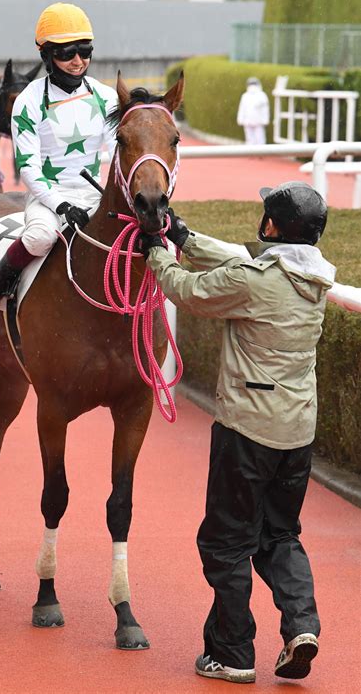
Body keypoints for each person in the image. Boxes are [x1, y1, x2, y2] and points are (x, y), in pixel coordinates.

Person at [137, 181, 333, 683]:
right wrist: (181, 233)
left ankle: (233, 653)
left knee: (225, 543)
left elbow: (188, 291)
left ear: (275, 227)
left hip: (247, 431)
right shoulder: (313, 273)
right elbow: (237, 257)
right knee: (280, 535)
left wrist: (156, 251)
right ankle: (301, 626)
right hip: (297, 434)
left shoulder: (253, 280)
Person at [0, 2, 117, 317]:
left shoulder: (106, 97)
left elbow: (119, 149)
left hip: (92, 193)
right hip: (48, 197)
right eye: (67, 53)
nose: (78, 61)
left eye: (85, 50)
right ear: (46, 55)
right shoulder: (29, 101)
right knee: (39, 237)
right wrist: (61, 205)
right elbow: (28, 167)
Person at [237, 76, 270, 145]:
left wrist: (240, 119)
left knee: (250, 139)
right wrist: (265, 120)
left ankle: (252, 153)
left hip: (249, 121)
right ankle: (260, 154)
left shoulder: (246, 95)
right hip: (258, 121)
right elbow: (265, 110)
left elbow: (242, 109)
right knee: (259, 139)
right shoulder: (262, 95)